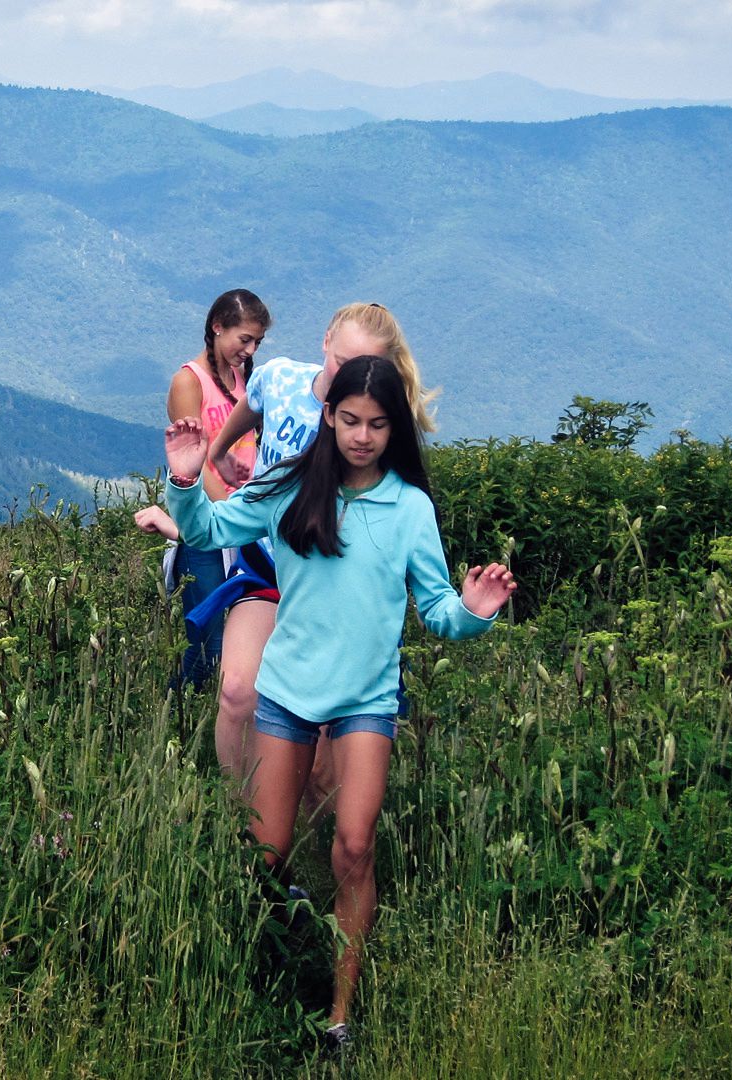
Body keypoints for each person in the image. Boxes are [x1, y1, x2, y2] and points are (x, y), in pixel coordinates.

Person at [162, 354, 516, 1049]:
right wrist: (183, 480)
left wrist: (474, 610)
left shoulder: (411, 508)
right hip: (289, 693)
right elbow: (208, 532)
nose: (362, 436)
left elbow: (440, 610)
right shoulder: (291, 487)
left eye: (378, 424)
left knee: (354, 848)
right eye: (350, 420)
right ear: (327, 417)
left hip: (366, 700)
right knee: (268, 854)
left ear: (396, 429)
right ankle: (263, 978)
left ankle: (339, 1014)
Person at [194, 303, 438, 788]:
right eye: (340, 360)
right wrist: (217, 453)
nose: (348, 374)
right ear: (324, 340)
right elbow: (254, 403)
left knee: (323, 730)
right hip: (266, 565)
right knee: (239, 693)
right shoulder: (281, 377)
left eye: (364, 366)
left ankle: (302, 832)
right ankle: (239, 819)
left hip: (330, 578)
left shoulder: (375, 421)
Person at [134, 290, 267, 693]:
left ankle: (188, 710)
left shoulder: (245, 380)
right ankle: (175, 711)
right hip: (209, 522)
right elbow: (195, 458)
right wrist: (228, 510)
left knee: (245, 633)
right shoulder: (188, 380)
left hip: (245, 519)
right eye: (243, 339)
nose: (249, 349)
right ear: (217, 327)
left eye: (257, 342)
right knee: (209, 637)